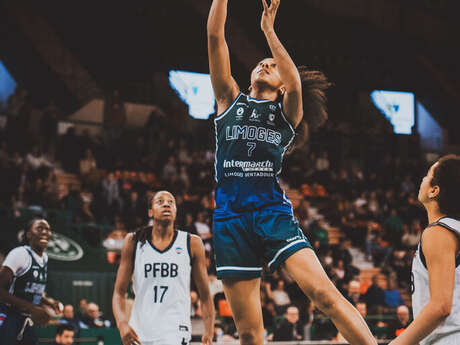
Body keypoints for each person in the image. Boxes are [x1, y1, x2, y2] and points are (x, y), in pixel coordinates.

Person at [207, 0, 377, 344]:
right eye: (261, 62)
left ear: (283, 85)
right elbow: (214, 36)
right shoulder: (229, 100)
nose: (264, 64)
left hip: (271, 213)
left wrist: (268, 31)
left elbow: (297, 84)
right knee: (250, 333)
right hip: (230, 219)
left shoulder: (287, 114)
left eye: (272, 65)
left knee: (325, 295)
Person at [113, 191, 215, 345]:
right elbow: (118, 293)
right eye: (160, 201)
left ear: (175, 211)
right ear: (150, 212)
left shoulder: (191, 243)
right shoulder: (133, 241)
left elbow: (205, 295)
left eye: (171, 202)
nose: (166, 204)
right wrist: (122, 324)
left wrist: (209, 331)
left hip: (175, 330)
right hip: (139, 331)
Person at [390, 155, 460, 345]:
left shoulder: (438, 232)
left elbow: (440, 306)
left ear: (434, 190)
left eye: (428, 175)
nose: (422, 179)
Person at [0, 218, 63, 345]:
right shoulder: (20, 254)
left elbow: (31, 290)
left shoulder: (44, 257)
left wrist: (49, 303)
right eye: (39, 228)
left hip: (25, 318)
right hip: (7, 315)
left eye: (47, 229)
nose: (45, 232)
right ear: (29, 234)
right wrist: (33, 308)